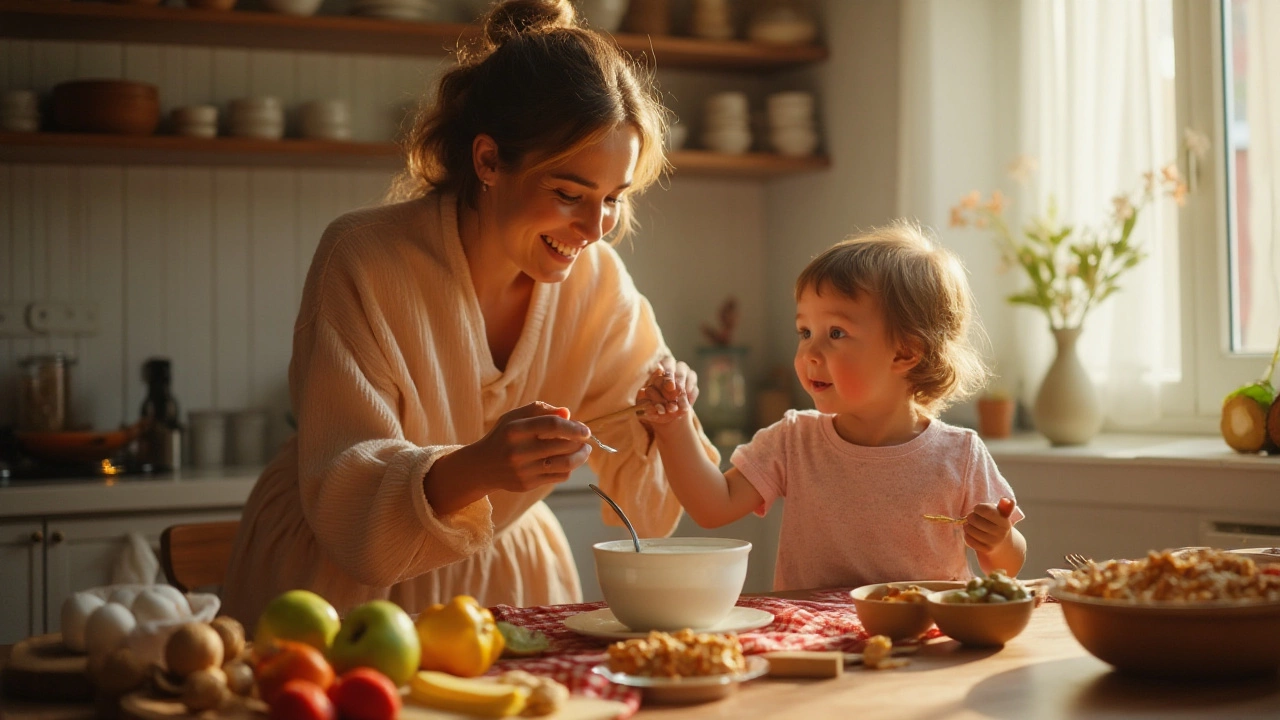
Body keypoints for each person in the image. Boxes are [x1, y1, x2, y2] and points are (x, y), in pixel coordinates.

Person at [222, 0, 717, 624]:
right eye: (569, 194)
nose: (596, 227)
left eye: (613, 199)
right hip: (337, 590)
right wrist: (478, 466)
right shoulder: (365, 260)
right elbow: (347, 499)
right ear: (487, 161)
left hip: (509, 580)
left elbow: (653, 507)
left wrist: (667, 421)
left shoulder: (597, 284)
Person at [637, 221, 1027, 591]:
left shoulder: (959, 454)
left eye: (835, 333)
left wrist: (999, 539)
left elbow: (1006, 567)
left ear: (905, 352)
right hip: (814, 640)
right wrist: (674, 427)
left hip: (924, 643)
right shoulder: (793, 441)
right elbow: (712, 507)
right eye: (805, 332)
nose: (809, 352)